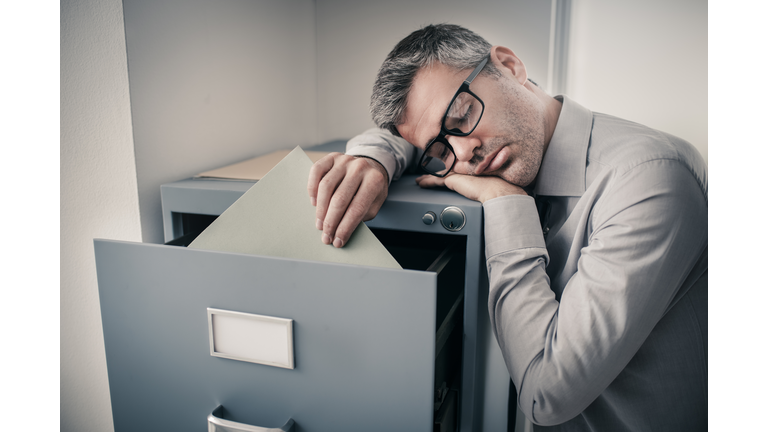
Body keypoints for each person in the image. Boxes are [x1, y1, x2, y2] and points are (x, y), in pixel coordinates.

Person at [307, 24, 707, 431]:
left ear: (510, 66)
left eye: (462, 116)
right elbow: (413, 134)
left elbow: (546, 394)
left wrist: (505, 205)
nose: (465, 154)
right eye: (440, 151)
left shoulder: (648, 179)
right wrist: (372, 160)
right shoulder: (470, 136)